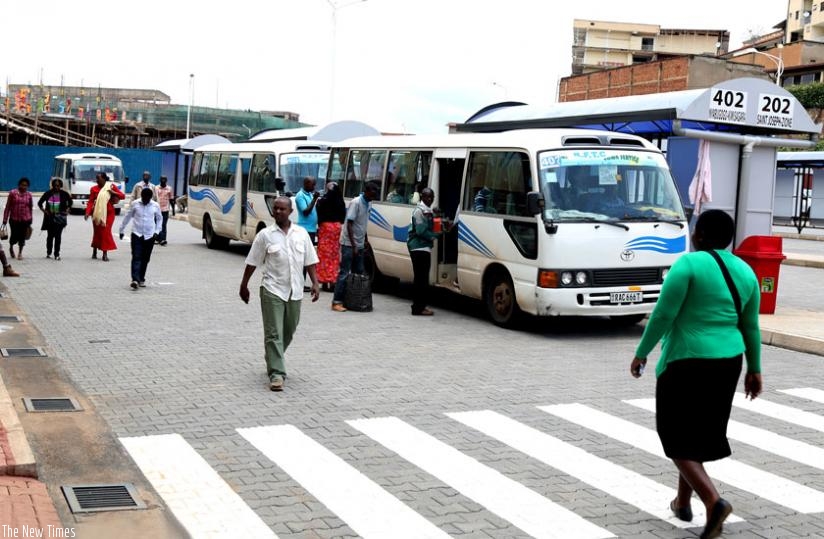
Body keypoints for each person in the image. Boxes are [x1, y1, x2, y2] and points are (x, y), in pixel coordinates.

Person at [630, 209, 762, 539]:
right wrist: (755, 369)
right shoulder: (746, 272)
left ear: (698, 235)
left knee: (674, 436)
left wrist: (642, 352)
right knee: (697, 434)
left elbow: (662, 315)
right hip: (728, 363)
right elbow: (751, 327)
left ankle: (713, 501)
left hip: (687, 361)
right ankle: (682, 503)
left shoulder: (687, 264)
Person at [238, 196, 319, 392]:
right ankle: (277, 374)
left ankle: (273, 356)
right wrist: (244, 285)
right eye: (276, 209)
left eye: (283, 209)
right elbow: (252, 261)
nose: (278, 212)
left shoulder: (301, 234)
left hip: (295, 290)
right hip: (272, 289)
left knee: (288, 331)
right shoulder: (265, 235)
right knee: (273, 333)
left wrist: (315, 283)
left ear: (291, 211)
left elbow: (309, 260)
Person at [331, 181, 379, 312]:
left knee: (359, 272)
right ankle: (336, 301)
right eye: (373, 193)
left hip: (360, 243)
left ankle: (354, 300)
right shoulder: (356, 203)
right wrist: (354, 246)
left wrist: (365, 240)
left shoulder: (369, 203)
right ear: (367, 191)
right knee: (344, 273)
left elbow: (363, 224)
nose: (374, 195)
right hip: (349, 243)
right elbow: (349, 224)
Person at [407, 187, 444, 316]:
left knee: (422, 279)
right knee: (420, 279)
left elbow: (435, 227)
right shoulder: (419, 211)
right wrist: (435, 235)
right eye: (427, 197)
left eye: (432, 197)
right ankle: (417, 308)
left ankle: (420, 306)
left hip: (424, 248)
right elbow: (421, 231)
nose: (430, 199)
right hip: (418, 247)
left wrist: (438, 218)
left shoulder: (428, 211)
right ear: (422, 197)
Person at [119, 187, 162, 289]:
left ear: (150, 197)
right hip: (136, 234)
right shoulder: (135, 204)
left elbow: (160, 219)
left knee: (145, 258)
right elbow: (127, 216)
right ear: (141, 196)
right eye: (143, 198)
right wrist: (121, 230)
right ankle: (135, 279)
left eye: (147, 199)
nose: (145, 200)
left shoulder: (155, 205)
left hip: (149, 235)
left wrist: (157, 231)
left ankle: (141, 278)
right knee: (136, 256)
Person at [85, 172, 126, 261]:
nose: (97, 180)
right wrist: (87, 212)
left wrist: (113, 192)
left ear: (104, 179)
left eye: (98, 178)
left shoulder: (110, 186)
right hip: (97, 213)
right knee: (97, 232)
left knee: (105, 231)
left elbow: (123, 196)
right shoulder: (93, 189)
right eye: (96, 178)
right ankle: (94, 250)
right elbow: (91, 201)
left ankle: (105, 253)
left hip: (109, 213)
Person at [315, 181, 346, 292]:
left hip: (325, 228)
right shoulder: (340, 202)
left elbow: (318, 216)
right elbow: (343, 217)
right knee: (334, 255)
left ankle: (323, 281)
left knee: (323, 255)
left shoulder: (322, 201)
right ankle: (332, 281)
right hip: (336, 229)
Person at [37, 177, 73, 260]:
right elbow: (39, 203)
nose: (57, 187)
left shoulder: (64, 194)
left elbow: (70, 203)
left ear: (61, 186)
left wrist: (67, 210)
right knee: (50, 236)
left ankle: (57, 254)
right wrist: (44, 211)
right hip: (50, 218)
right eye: (55, 185)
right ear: (52, 186)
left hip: (60, 218)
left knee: (58, 236)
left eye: (58, 186)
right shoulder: (48, 193)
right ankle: (49, 252)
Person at [3, 177, 33, 260]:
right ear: (19, 185)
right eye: (23, 185)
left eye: (26, 185)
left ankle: (20, 253)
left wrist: (31, 219)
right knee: (14, 235)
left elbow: (30, 207)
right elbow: (8, 206)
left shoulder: (29, 195)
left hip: (25, 219)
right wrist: (5, 219)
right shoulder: (13, 193)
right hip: (14, 219)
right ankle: (11, 247)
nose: (24, 187)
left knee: (22, 236)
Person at [155, 176, 174, 245]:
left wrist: (173, 210)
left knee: (163, 224)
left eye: (164, 179)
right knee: (157, 224)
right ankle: (157, 238)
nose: (163, 180)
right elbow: (154, 198)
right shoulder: (156, 188)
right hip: (157, 209)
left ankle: (163, 239)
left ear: (166, 180)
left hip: (165, 209)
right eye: (162, 179)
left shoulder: (169, 188)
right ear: (159, 180)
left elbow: (171, 199)